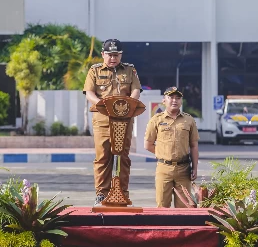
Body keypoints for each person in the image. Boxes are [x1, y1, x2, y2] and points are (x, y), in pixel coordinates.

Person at [83, 39, 142, 206]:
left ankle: (122, 191)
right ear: (103, 54)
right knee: (103, 156)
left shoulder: (130, 70)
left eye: (116, 55)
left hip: (124, 119)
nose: (113, 58)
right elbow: (89, 93)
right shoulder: (94, 71)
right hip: (102, 119)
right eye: (109, 55)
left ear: (121, 55)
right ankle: (101, 193)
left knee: (123, 156)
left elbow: (136, 90)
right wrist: (102, 105)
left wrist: (129, 104)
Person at [144, 87, 199, 208]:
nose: (174, 100)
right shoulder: (156, 120)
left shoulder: (189, 120)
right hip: (164, 169)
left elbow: (194, 146)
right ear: (164, 100)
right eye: (171, 97)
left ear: (181, 101)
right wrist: (163, 154)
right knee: (162, 206)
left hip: (184, 169)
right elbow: (148, 144)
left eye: (178, 98)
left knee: (184, 207)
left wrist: (195, 168)